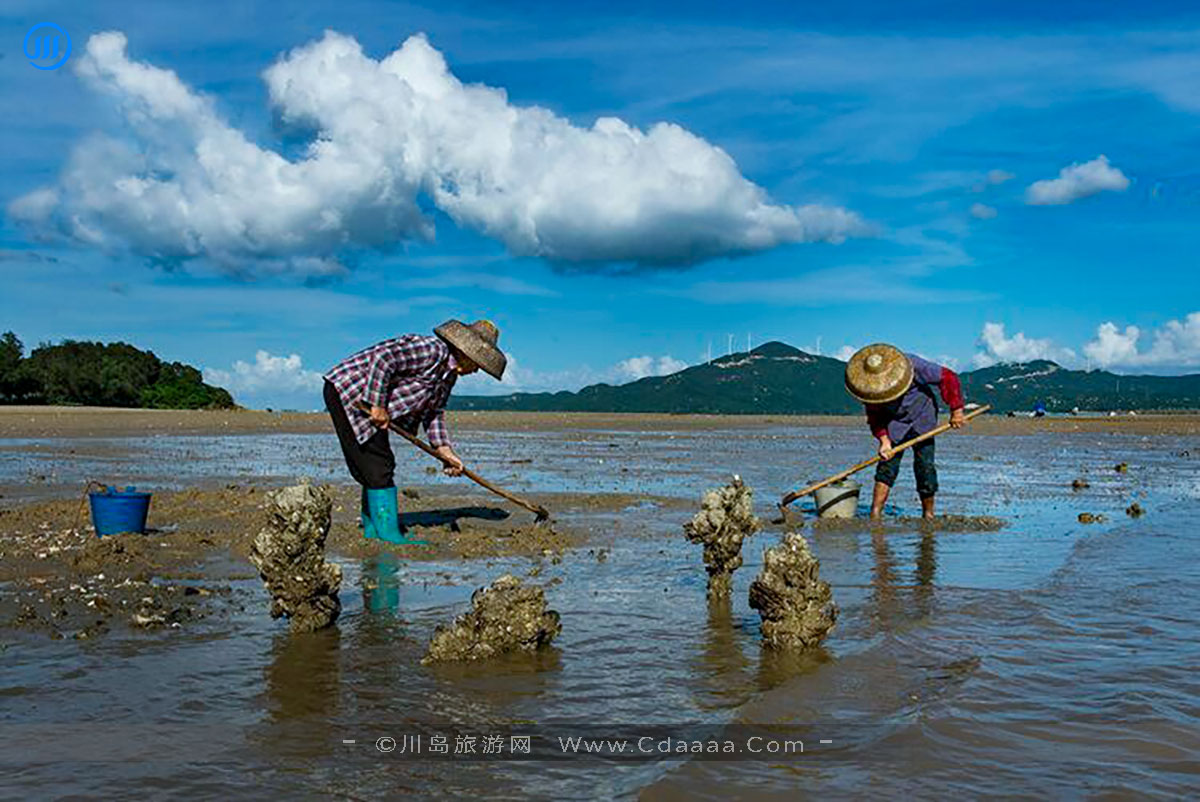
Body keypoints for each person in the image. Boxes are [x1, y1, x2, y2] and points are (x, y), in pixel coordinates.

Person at [323, 319, 506, 545]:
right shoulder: (431, 350)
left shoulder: (448, 376)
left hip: (370, 405)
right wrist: (377, 404)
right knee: (378, 465)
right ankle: (388, 534)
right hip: (350, 392)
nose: (477, 370)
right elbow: (383, 359)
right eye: (477, 364)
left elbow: (433, 412)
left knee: (373, 466)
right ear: (465, 353)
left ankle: (374, 530)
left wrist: (444, 451)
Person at [843, 344, 966, 520]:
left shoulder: (912, 365)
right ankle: (875, 513)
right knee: (886, 466)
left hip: (923, 417)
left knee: (925, 466)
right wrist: (884, 441)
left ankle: (928, 514)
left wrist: (956, 410)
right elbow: (875, 418)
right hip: (894, 423)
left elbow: (948, 377)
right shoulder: (867, 386)